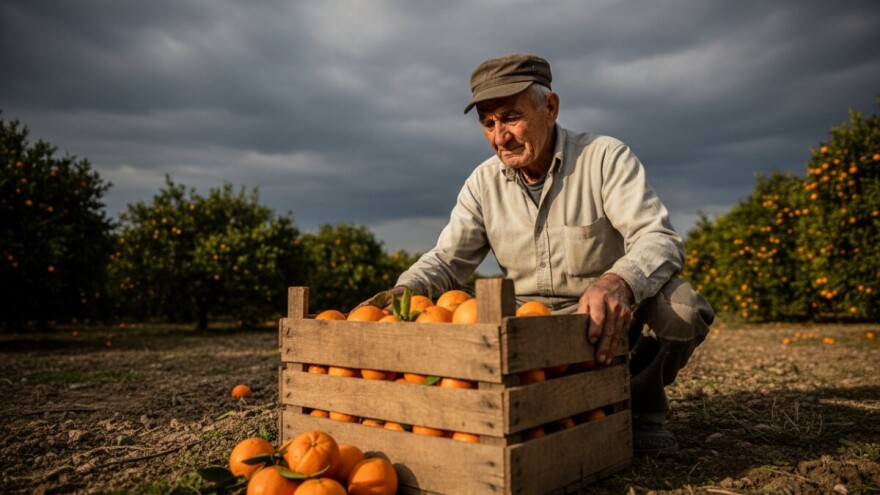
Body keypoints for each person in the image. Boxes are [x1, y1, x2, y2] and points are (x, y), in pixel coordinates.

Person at [363, 53, 714, 456]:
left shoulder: (603, 158)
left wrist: (618, 281)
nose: (500, 137)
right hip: (531, 330)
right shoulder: (482, 183)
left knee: (683, 311)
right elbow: (447, 259)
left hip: (608, 319)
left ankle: (639, 406)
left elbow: (658, 237)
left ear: (550, 108)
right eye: (488, 124)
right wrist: (402, 292)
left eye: (510, 117)